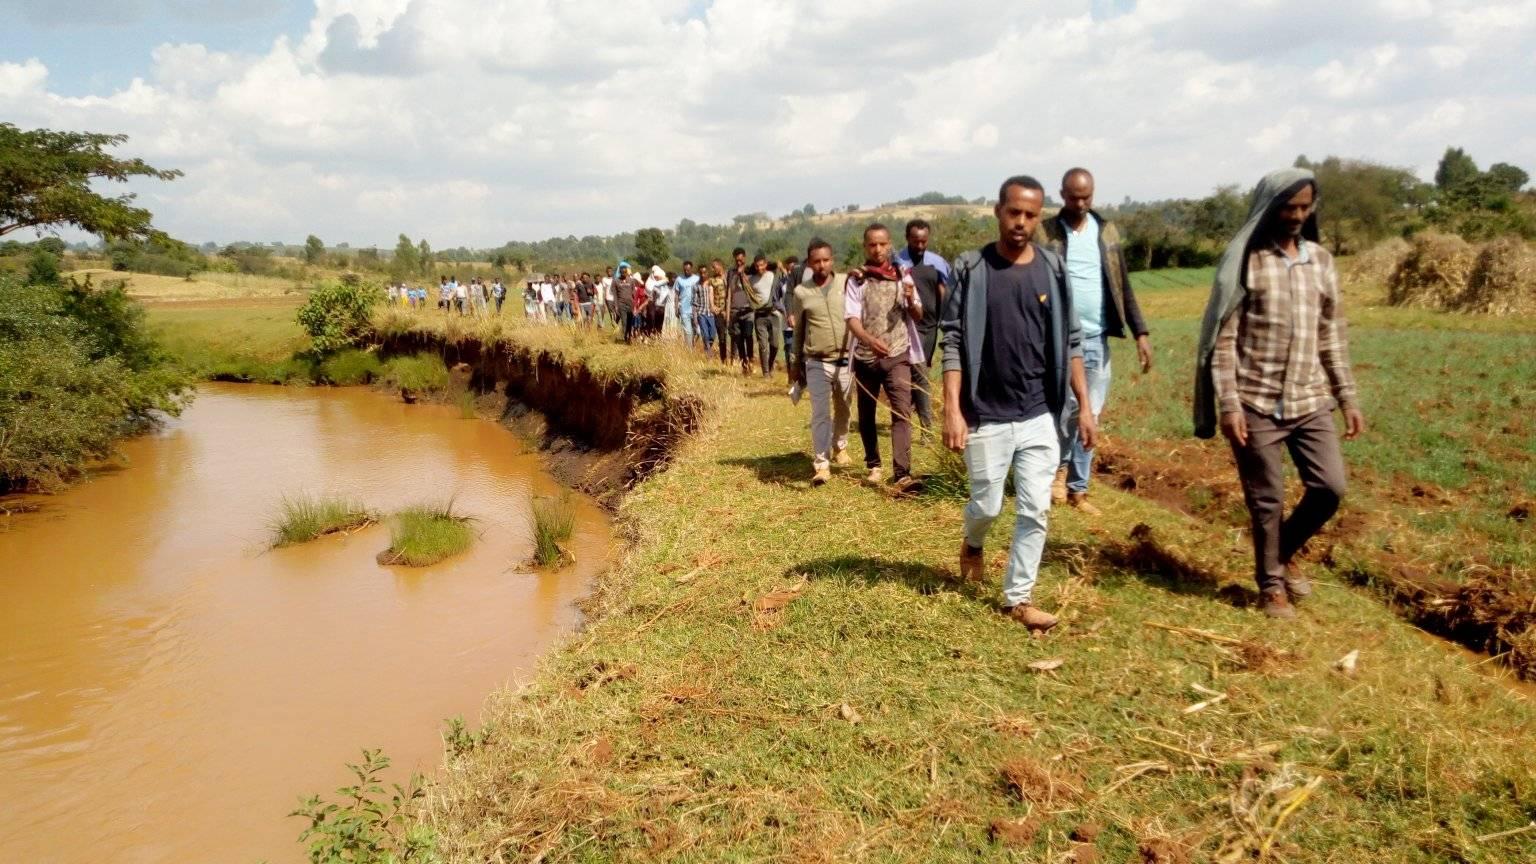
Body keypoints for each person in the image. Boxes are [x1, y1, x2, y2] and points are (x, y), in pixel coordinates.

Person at [1196, 167, 1364, 620]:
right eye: (1287, 207)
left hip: (1310, 401)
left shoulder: (1322, 261)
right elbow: (1225, 341)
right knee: (1266, 500)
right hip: (1256, 401)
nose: (1296, 215)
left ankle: (1280, 552)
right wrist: (1229, 404)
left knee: (1330, 487)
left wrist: (1346, 397)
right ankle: (1270, 586)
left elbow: (1331, 334)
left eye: (1304, 207)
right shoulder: (1247, 264)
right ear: (1269, 209)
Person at [941, 175, 1096, 633]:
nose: (1021, 222)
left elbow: (1071, 340)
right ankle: (973, 544)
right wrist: (952, 409)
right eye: (1014, 212)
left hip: (1039, 414)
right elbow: (951, 341)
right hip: (985, 414)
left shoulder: (1051, 268)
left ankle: (1018, 598)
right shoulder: (973, 269)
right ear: (998, 211)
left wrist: (1084, 406)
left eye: (1031, 214)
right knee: (986, 507)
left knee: (1035, 508)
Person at [1036, 168, 1152, 515]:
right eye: (1074, 197)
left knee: (1091, 414)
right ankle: (1058, 473)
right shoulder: (1047, 233)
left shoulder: (1107, 232)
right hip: (1060, 339)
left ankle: (1078, 489)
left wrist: (1141, 333)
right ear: (1062, 194)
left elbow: (1123, 286)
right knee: (1068, 410)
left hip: (1098, 337)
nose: (1081, 203)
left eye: (1087, 196)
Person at [845, 223, 923, 492]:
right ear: (864, 246)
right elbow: (852, 319)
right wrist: (868, 339)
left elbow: (918, 315)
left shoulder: (903, 276)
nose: (877, 249)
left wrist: (911, 301)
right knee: (867, 414)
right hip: (866, 357)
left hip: (898, 354)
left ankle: (902, 473)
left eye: (882, 244)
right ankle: (873, 464)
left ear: (890, 245)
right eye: (872, 245)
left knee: (901, 411)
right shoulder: (857, 279)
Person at [790, 238, 853, 485]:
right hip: (817, 361)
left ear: (832, 260)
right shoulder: (801, 292)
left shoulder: (846, 283)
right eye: (816, 261)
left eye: (826, 260)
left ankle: (840, 446)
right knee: (820, 413)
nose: (822, 265)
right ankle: (821, 465)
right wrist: (795, 363)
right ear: (809, 263)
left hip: (847, 359)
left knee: (845, 408)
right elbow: (798, 331)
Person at [894, 219, 952, 429]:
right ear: (907, 238)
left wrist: (947, 321)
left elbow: (944, 292)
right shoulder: (897, 262)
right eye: (915, 241)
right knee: (919, 372)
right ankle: (926, 427)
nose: (919, 246)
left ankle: (907, 416)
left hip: (931, 326)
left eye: (923, 242)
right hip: (907, 325)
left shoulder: (937, 263)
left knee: (920, 369)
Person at [747, 255, 779, 376]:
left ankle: (770, 365)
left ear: (766, 264)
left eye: (761, 265)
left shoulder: (772, 275)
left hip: (773, 314)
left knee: (775, 344)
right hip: (759, 316)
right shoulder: (751, 280)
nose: (759, 267)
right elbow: (747, 292)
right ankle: (765, 372)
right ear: (754, 266)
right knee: (763, 345)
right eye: (757, 265)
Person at [726, 247, 756, 374]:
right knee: (738, 339)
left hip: (748, 310)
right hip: (734, 310)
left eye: (741, 260)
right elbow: (729, 292)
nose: (739, 262)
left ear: (745, 258)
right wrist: (727, 315)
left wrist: (743, 273)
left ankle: (751, 359)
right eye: (737, 260)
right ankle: (744, 363)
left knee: (748, 336)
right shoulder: (731, 273)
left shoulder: (750, 271)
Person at [707, 259, 729, 363]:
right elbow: (711, 293)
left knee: (733, 335)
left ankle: (734, 357)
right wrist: (712, 306)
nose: (712, 269)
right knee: (722, 336)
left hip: (728, 310)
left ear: (720, 266)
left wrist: (727, 309)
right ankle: (723, 359)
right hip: (718, 311)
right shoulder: (712, 280)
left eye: (714, 267)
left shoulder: (728, 277)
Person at [675, 261, 700, 346]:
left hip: (695, 309)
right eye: (685, 270)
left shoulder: (697, 279)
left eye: (688, 270)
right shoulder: (679, 279)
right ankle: (689, 351)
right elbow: (676, 294)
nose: (686, 271)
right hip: (684, 309)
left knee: (697, 331)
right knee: (688, 331)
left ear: (691, 269)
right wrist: (676, 308)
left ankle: (693, 344)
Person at [614, 263, 636, 341]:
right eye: (622, 272)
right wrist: (616, 306)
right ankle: (625, 336)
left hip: (630, 303)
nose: (623, 274)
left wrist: (635, 304)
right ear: (620, 272)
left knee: (630, 321)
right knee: (624, 321)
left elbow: (634, 293)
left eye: (625, 272)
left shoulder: (632, 280)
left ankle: (629, 335)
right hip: (621, 303)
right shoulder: (616, 281)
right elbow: (615, 294)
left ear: (627, 272)